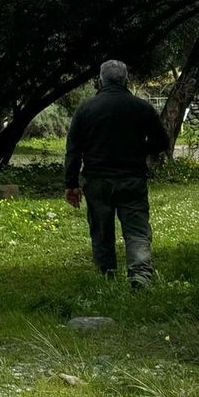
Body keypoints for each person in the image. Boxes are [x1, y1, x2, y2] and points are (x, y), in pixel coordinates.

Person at [64, 59, 170, 288]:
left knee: (101, 231)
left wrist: (71, 184)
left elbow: (73, 150)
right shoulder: (142, 108)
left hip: (97, 180)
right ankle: (140, 275)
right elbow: (162, 142)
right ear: (126, 79)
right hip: (132, 179)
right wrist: (142, 149)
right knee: (137, 230)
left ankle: (106, 276)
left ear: (100, 80)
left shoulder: (86, 109)